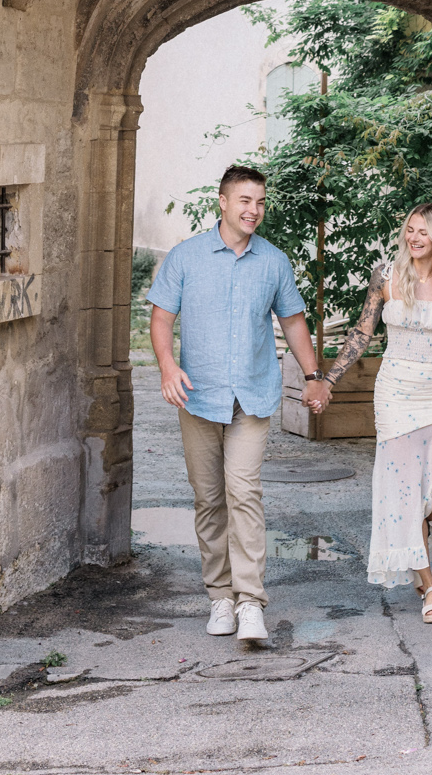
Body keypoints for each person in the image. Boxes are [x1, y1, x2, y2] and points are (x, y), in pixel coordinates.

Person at [148, 162, 326, 647]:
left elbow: (292, 322)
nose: (254, 210)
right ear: (222, 203)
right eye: (245, 201)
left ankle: (250, 603)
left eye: (261, 202)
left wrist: (313, 377)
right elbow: (161, 318)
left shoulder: (274, 262)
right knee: (209, 498)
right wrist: (167, 367)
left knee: (243, 491)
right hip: (198, 395)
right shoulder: (185, 257)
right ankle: (220, 597)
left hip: (252, 394)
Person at [302, 202, 432, 624]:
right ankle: (429, 585)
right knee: (404, 496)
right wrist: (327, 379)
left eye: (423, 232)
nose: (414, 238)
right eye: (410, 230)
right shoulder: (387, 275)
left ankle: (416, 546)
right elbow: (363, 332)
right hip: (396, 396)